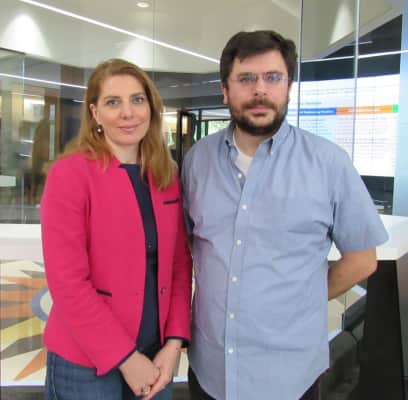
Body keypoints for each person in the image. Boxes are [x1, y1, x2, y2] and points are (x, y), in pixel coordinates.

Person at [182, 30, 388, 400]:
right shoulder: (198, 160)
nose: (260, 90)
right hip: (210, 368)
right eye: (246, 78)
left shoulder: (328, 163)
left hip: (289, 375)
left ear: (288, 87)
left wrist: (300, 299)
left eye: (273, 77)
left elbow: (362, 260)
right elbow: (185, 246)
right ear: (225, 90)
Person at [41, 58, 192, 400]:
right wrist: (125, 358)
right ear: (95, 113)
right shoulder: (70, 175)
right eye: (113, 102)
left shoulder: (166, 176)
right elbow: (68, 282)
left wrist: (173, 343)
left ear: (151, 108)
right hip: (85, 360)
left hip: (155, 355)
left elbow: (179, 266)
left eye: (137, 100)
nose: (128, 113)